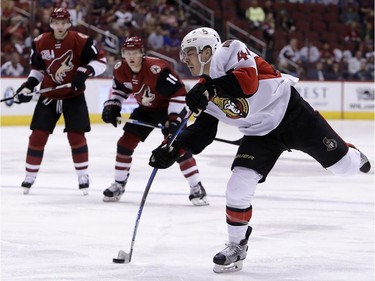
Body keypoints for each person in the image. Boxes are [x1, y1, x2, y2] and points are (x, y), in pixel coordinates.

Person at [148, 27, 371, 273]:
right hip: (259, 134)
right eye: (183, 54)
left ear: (207, 50)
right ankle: (236, 245)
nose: (184, 59)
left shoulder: (230, 50)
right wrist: (173, 149)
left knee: (344, 169)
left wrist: (212, 88)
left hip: (292, 115)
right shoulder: (202, 91)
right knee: (238, 186)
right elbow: (202, 132)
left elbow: (247, 83)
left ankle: (350, 154)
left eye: (189, 52)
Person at [101, 36, 208, 206]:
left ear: (142, 53)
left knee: (176, 148)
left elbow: (179, 94)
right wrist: (113, 105)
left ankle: (196, 186)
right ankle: (119, 184)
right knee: (124, 144)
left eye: (135, 52)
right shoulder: (121, 69)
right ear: (122, 54)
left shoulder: (157, 70)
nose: (131, 57)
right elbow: (119, 89)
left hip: (169, 108)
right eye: (128, 53)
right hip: (146, 110)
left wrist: (173, 121)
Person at [15, 8, 107, 195]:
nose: (60, 26)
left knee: (76, 136)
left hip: (73, 96)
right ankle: (29, 176)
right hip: (49, 97)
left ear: (69, 23)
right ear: (51, 23)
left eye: (63, 22)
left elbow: (102, 61)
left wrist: (83, 73)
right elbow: (38, 70)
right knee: (37, 136)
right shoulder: (40, 42)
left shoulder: (81, 40)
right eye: (56, 22)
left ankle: (83, 175)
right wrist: (29, 85)